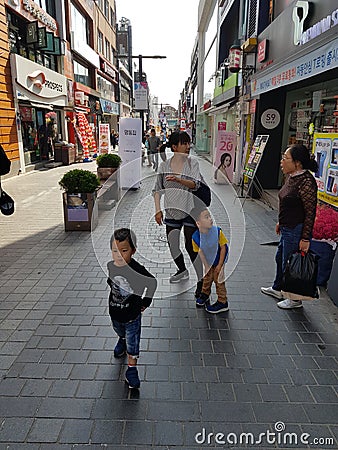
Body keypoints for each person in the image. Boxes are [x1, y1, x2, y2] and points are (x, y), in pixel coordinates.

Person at [261, 144, 318, 309]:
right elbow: (288, 203)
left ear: (297, 163)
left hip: (296, 229)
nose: (281, 162)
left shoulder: (306, 181)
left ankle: (295, 299)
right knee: (280, 258)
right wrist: (280, 221)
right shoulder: (292, 176)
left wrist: (305, 238)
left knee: (291, 263)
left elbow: (310, 212)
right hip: (287, 227)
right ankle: (278, 287)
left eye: (285, 158)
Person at [153, 130, 203, 297]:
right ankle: (182, 270)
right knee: (173, 245)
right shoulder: (164, 166)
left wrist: (179, 179)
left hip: (190, 210)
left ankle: (201, 281)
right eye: (184, 143)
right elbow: (157, 190)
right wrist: (157, 210)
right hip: (171, 211)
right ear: (174, 147)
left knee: (191, 246)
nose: (188, 146)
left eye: (189, 143)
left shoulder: (192, 163)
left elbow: (195, 184)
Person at [107, 228, 157, 388]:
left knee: (133, 343)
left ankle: (131, 370)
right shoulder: (111, 266)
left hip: (132, 316)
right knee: (120, 332)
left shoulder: (138, 271)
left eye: (124, 250)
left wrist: (145, 302)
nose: (119, 255)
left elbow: (152, 282)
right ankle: (121, 339)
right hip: (115, 313)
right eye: (115, 251)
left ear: (133, 250)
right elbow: (111, 283)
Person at [191, 206, 229, 313]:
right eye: (206, 217)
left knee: (219, 280)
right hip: (209, 260)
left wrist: (220, 265)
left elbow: (223, 248)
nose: (210, 219)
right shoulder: (195, 237)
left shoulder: (217, 232)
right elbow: (200, 252)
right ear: (198, 223)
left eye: (210, 216)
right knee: (207, 277)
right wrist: (206, 265)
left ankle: (223, 301)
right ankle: (205, 294)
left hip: (219, 259)